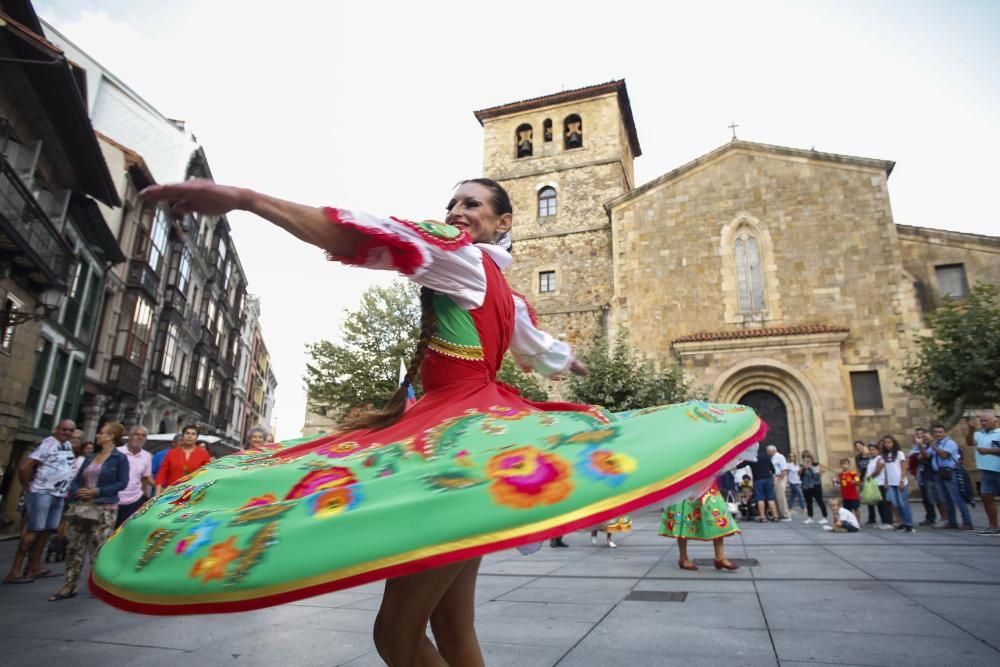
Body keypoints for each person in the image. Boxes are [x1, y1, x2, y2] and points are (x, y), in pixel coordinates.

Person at [92, 178, 764, 666]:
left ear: (503, 224)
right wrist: (577, 368)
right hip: (472, 439)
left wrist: (246, 200)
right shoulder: (500, 285)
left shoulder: (459, 255)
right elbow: (538, 346)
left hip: (456, 442)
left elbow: (363, 232)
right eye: (452, 205)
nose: (454, 212)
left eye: (472, 204)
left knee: (396, 635)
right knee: (451, 625)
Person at [50, 422, 129, 601]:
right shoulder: (90, 457)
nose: (97, 436)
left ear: (110, 437)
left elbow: (122, 483)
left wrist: (97, 491)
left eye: (101, 433)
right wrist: (79, 490)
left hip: (104, 507)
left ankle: (100, 585)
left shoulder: (119, 459)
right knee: (74, 546)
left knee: (98, 547)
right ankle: (69, 584)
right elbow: (77, 479)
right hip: (82, 506)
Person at [3, 419, 76, 584]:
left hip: (58, 494)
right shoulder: (47, 444)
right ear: (56, 429)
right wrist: (27, 486)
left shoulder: (67, 445)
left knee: (46, 531)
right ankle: (14, 571)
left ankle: (34, 567)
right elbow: (24, 467)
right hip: (43, 493)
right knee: (33, 531)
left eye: (70, 430)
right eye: (64, 429)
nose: (67, 433)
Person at [660, 486, 740, 571]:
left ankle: (720, 557)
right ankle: (683, 558)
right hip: (685, 482)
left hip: (707, 483)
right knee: (684, 515)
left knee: (716, 515)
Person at [929, 423, 974, 530]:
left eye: (940, 432)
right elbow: (927, 455)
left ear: (945, 433)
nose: (938, 434)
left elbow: (944, 455)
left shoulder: (950, 443)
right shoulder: (937, 443)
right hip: (940, 472)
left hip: (951, 472)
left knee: (957, 498)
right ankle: (952, 521)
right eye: (936, 432)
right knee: (946, 499)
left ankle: (967, 522)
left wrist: (934, 446)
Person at [966, 411, 1000, 536]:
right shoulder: (979, 434)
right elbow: (970, 442)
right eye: (982, 421)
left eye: (986, 420)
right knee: (986, 498)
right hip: (986, 470)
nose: (983, 423)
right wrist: (971, 431)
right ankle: (993, 526)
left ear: (994, 420)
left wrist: (988, 451)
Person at [154, 424, 211, 495]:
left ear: (197, 437)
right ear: (183, 436)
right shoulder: (171, 453)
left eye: (193, 434)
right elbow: (161, 474)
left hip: (193, 493)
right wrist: (157, 494)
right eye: (187, 433)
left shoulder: (203, 454)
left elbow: (207, 475)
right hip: (172, 493)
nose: (190, 436)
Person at [116, 426, 155, 527]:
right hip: (114, 499)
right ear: (130, 436)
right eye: (137, 434)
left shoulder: (147, 456)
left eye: (143, 435)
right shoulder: (117, 452)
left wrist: (161, 488)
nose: (140, 437)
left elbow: (146, 477)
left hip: (134, 500)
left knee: (124, 531)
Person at [882, 435, 914, 532]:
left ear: (893, 443)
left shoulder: (899, 453)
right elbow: (886, 469)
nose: (887, 444)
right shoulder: (885, 455)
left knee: (903, 503)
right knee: (896, 504)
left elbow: (903, 467)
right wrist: (886, 481)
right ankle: (902, 523)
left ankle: (909, 524)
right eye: (885, 442)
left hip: (900, 482)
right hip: (891, 483)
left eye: (889, 442)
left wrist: (902, 481)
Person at [909, 427, 936, 526]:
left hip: (930, 474)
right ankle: (929, 517)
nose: (919, 437)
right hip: (921, 474)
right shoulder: (915, 448)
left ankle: (934, 517)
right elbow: (914, 458)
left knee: (931, 497)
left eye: (921, 435)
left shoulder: (929, 446)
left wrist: (920, 447)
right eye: (917, 435)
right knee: (925, 498)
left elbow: (924, 456)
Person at [865, 441, 895, 529]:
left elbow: (878, 471)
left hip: (880, 483)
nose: (871, 451)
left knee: (884, 504)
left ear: (878, 450)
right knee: (879, 504)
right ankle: (883, 521)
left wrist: (869, 477)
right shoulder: (871, 459)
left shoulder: (880, 458)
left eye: (873, 449)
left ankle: (888, 522)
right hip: (875, 484)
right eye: (870, 450)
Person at [745, 452, 778, 522]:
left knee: (760, 499)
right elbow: (773, 469)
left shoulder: (751, 458)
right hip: (768, 479)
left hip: (758, 480)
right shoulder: (766, 457)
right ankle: (775, 517)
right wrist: (773, 479)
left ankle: (763, 517)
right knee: (771, 498)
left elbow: (740, 466)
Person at [800, 453, 829, 524]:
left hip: (815, 486)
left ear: (811, 458)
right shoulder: (802, 466)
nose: (806, 458)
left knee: (820, 501)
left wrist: (811, 468)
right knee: (808, 502)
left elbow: (816, 476)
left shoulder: (816, 465)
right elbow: (800, 476)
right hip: (806, 486)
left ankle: (824, 517)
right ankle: (810, 517)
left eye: (808, 457)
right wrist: (803, 468)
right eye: (804, 457)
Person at [854, 440, 876, 526]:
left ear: (864, 445)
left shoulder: (871, 455)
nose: (858, 448)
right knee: (869, 499)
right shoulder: (858, 457)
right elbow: (858, 470)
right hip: (863, 479)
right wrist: (857, 480)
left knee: (876, 497)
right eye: (857, 447)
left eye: (860, 446)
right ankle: (872, 518)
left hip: (872, 478)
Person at [834, 458, 862, 524]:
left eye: (846, 464)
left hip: (853, 495)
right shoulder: (840, 474)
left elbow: (858, 482)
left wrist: (855, 482)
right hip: (845, 495)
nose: (845, 465)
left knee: (856, 509)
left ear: (849, 465)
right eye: (843, 464)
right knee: (847, 510)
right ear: (841, 465)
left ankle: (858, 522)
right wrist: (837, 482)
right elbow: (841, 484)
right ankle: (850, 521)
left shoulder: (853, 473)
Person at [768, 445, 791, 521]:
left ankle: (786, 515)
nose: (767, 452)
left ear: (773, 450)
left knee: (781, 497)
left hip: (779, 478)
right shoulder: (772, 458)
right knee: (777, 497)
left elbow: (784, 470)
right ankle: (780, 514)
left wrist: (779, 480)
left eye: (768, 451)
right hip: (775, 478)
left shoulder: (780, 457)